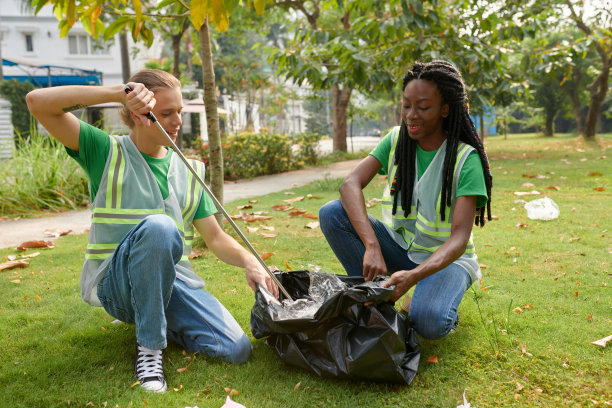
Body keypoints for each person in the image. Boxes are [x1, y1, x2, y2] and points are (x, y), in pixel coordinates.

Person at [26, 69, 279, 393]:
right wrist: (119, 92)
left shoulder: (190, 170)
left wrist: (249, 261)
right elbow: (37, 103)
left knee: (235, 350)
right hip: (117, 288)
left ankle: (155, 316)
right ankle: (149, 348)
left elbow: (215, 238)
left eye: (179, 112)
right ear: (139, 113)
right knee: (160, 227)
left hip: (171, 284)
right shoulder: (105, 151)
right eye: (166, 113)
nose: (177, 122)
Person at [319, 60, 492, 340]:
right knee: (332, 213)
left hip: (444, 259)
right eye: (406, 105)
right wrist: (372, 245)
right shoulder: (396, 139)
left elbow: (459, 239)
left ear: (445, 109)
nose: (411, 115)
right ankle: (376, 296)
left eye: (423, 107)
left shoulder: (465, 160)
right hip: (399, 247)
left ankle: (432, 301)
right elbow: (350, 184)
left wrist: (413, 278)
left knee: (428, 322)